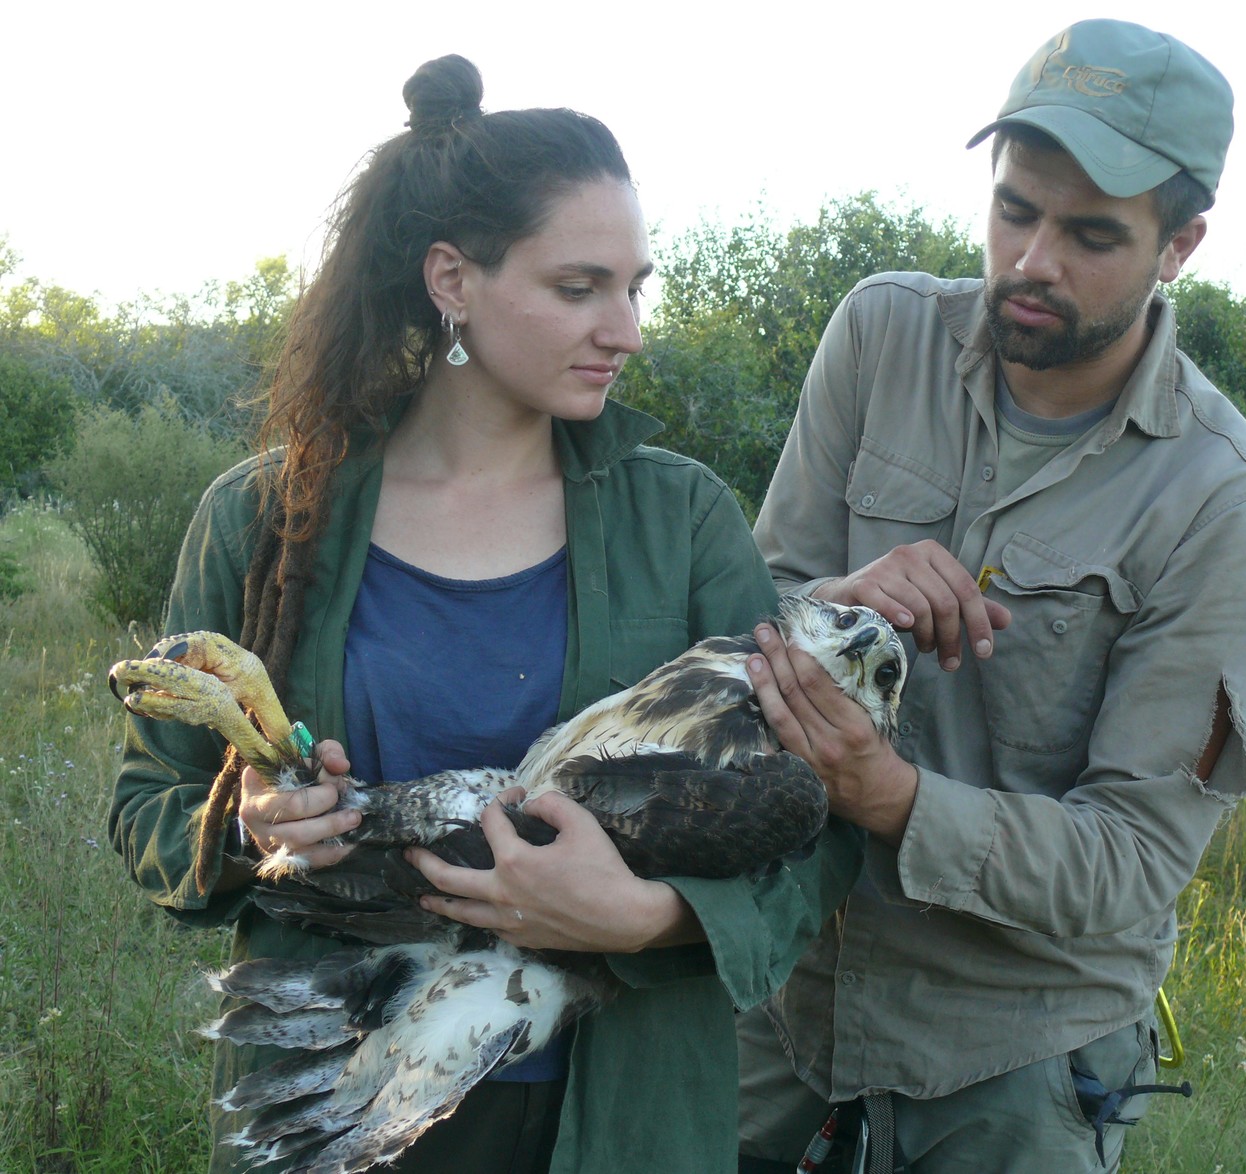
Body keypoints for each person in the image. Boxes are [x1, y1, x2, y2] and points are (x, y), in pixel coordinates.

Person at [108, 55, 860, 1174]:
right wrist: (249, 825)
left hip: (616, 1116)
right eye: (579, 288)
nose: (626, 328)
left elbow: (811, 830)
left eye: (634, 287)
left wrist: (649, 917)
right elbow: (146, 808)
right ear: (452, 279)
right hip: (333, 1100)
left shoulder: (686, 522)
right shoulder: (266, 519)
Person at [737, 18, 1246, 1173]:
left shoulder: (1222, 499)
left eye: (1090, 233)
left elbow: (1133, 860)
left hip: (1011, 1055)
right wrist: (839, 601)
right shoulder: (878, 333)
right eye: (1013, 210)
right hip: (782, 987)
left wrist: (887, 796)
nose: (1032, 261)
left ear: (1179, 244)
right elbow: (759, 603)